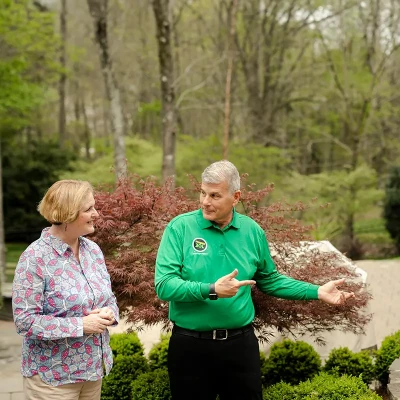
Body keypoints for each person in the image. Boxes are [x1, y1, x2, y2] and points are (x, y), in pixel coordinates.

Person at [155, 160, 355, 400]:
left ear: (236, 196)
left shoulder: (252, 232)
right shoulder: (180, 228)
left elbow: (270, 280)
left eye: (215, 195)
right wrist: (212, 289)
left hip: (240, 347)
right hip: (190, 347)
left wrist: (317, 291)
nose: (205, 202)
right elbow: (164, 285)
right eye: (203, 193)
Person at [12, 180, 119, 400]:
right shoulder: (34, 258)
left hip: (92, 371)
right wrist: (80, 325)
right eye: (88, 209)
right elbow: (24, 321)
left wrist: (109, 314)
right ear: (68, 214)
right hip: (53, 378)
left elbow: (109, 299)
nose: (96, 213)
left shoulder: (93, 251)